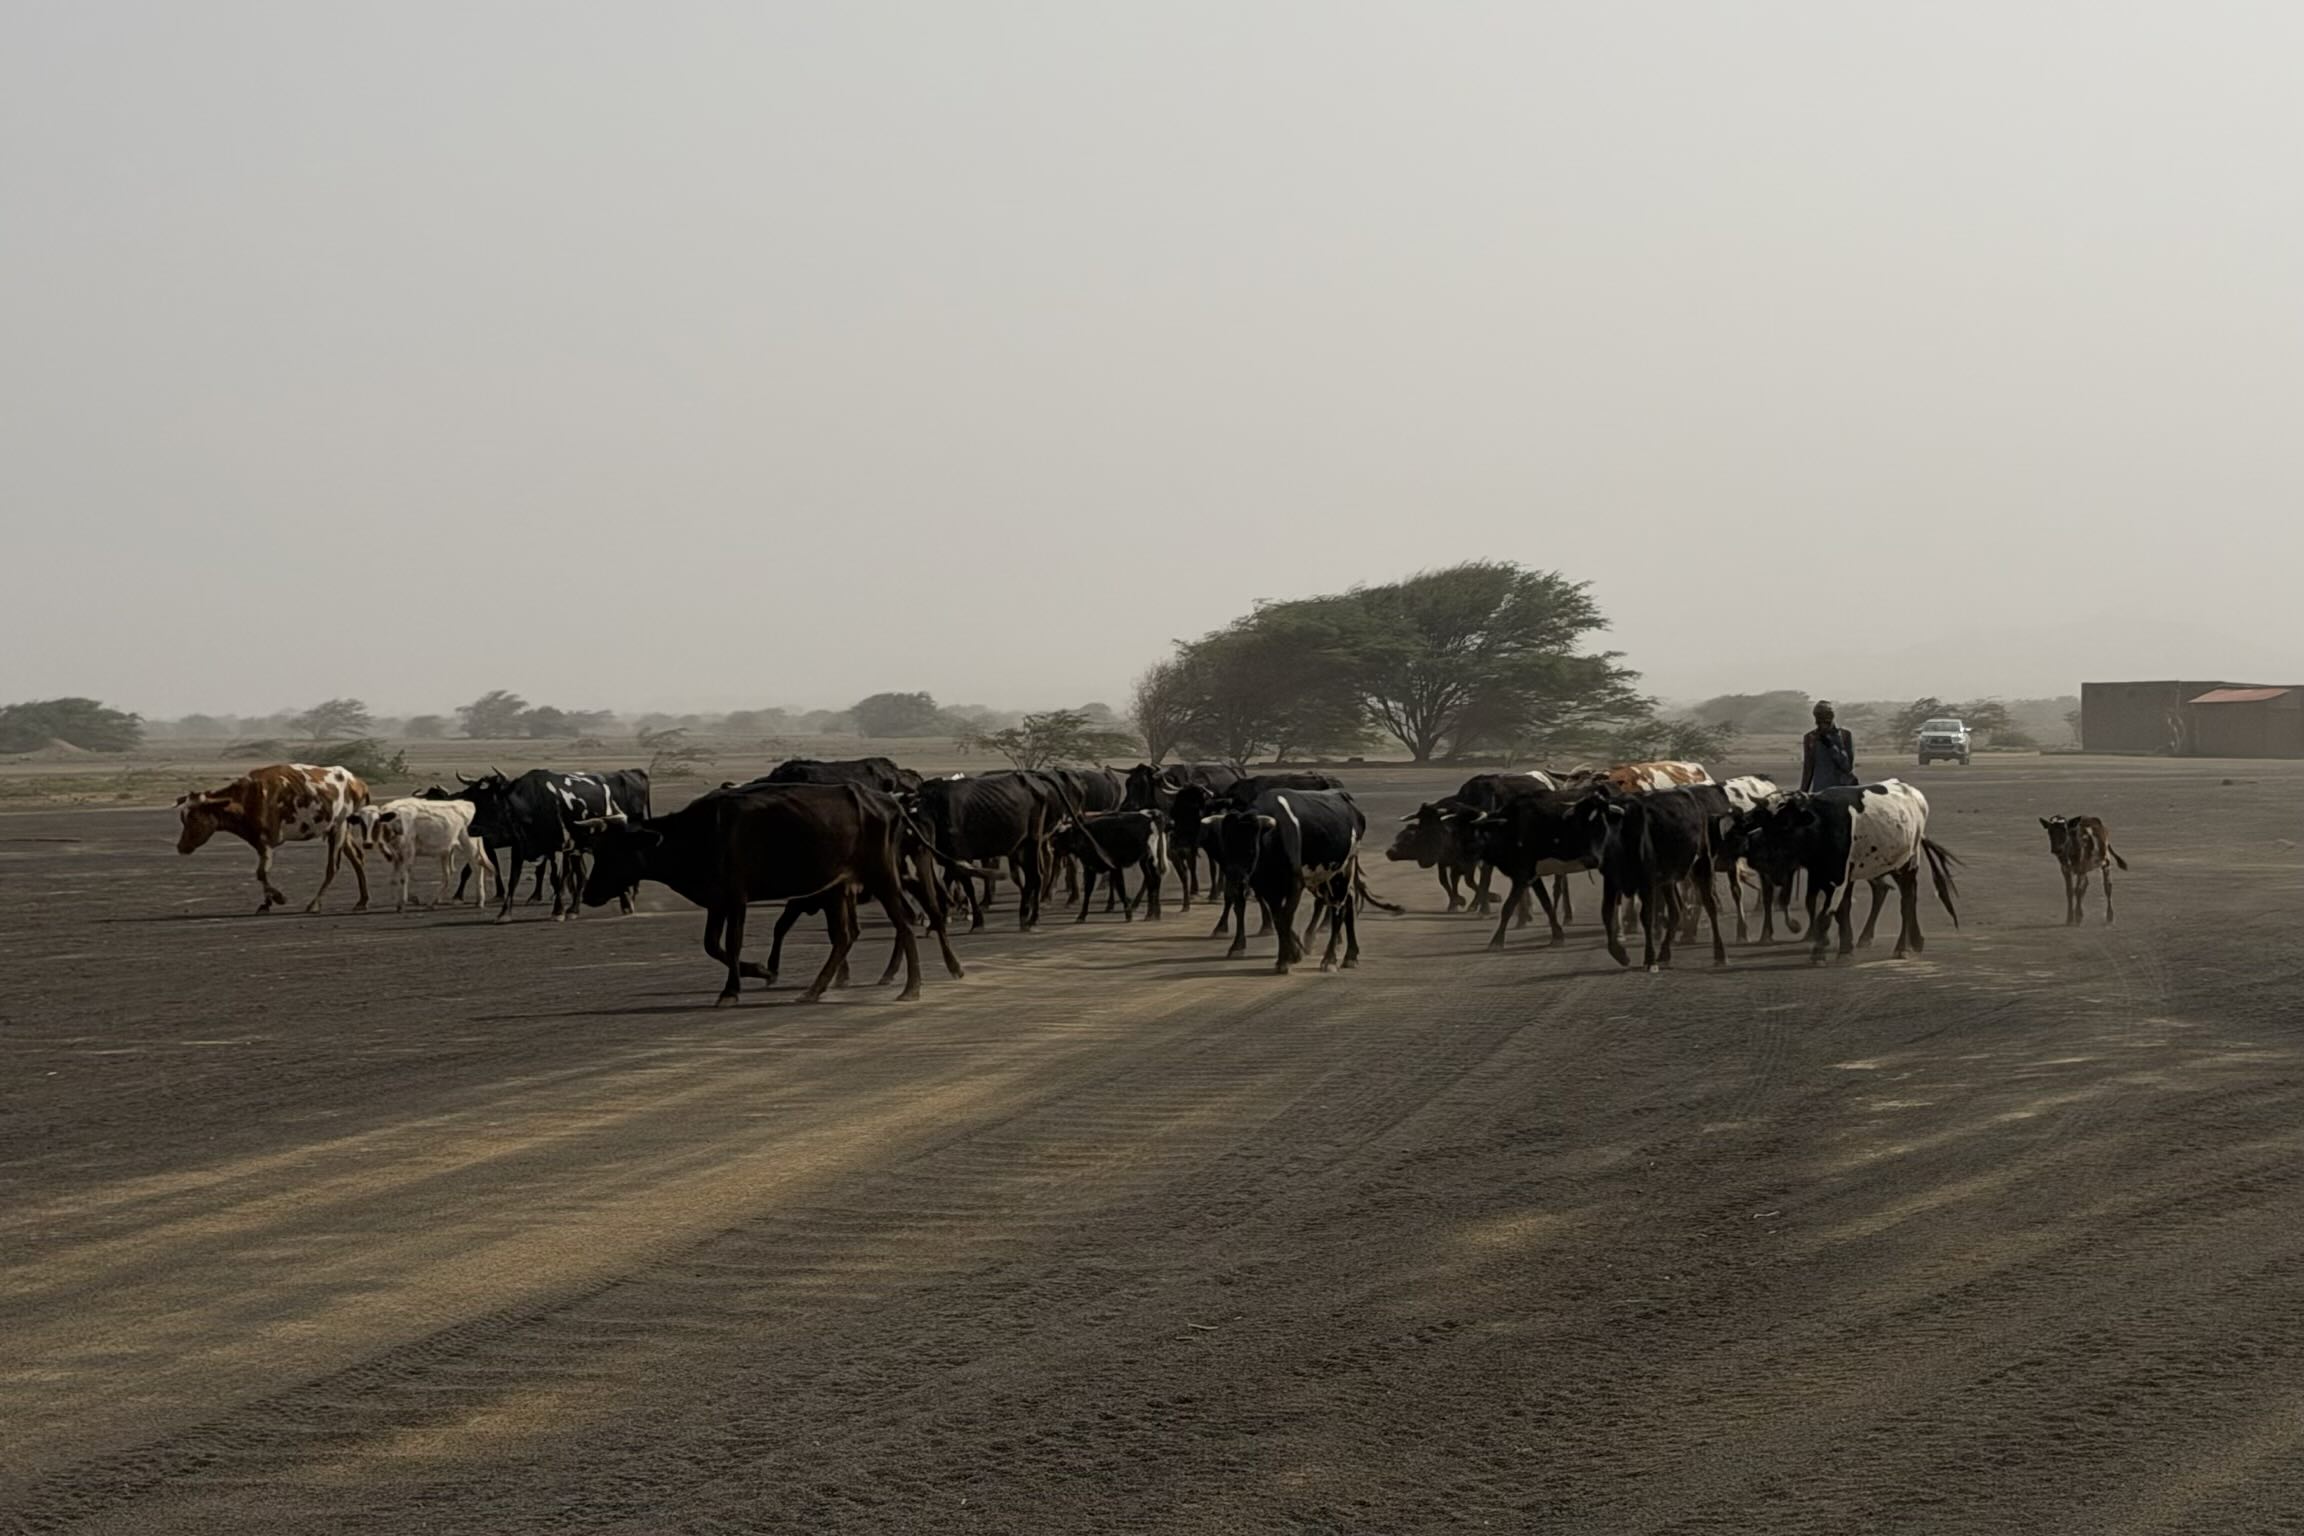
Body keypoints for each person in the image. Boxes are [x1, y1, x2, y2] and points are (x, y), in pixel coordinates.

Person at [1801, 701, 1859, 791]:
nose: (1822, 725)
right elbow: (1808, 769)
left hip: (1842, 790)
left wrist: (1831, 745)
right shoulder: (1810, 738)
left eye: (1825, 720)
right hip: (1821, 791)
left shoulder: (1845, 735)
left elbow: (1847, 767)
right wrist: (1802, 792)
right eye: (1820, 720)